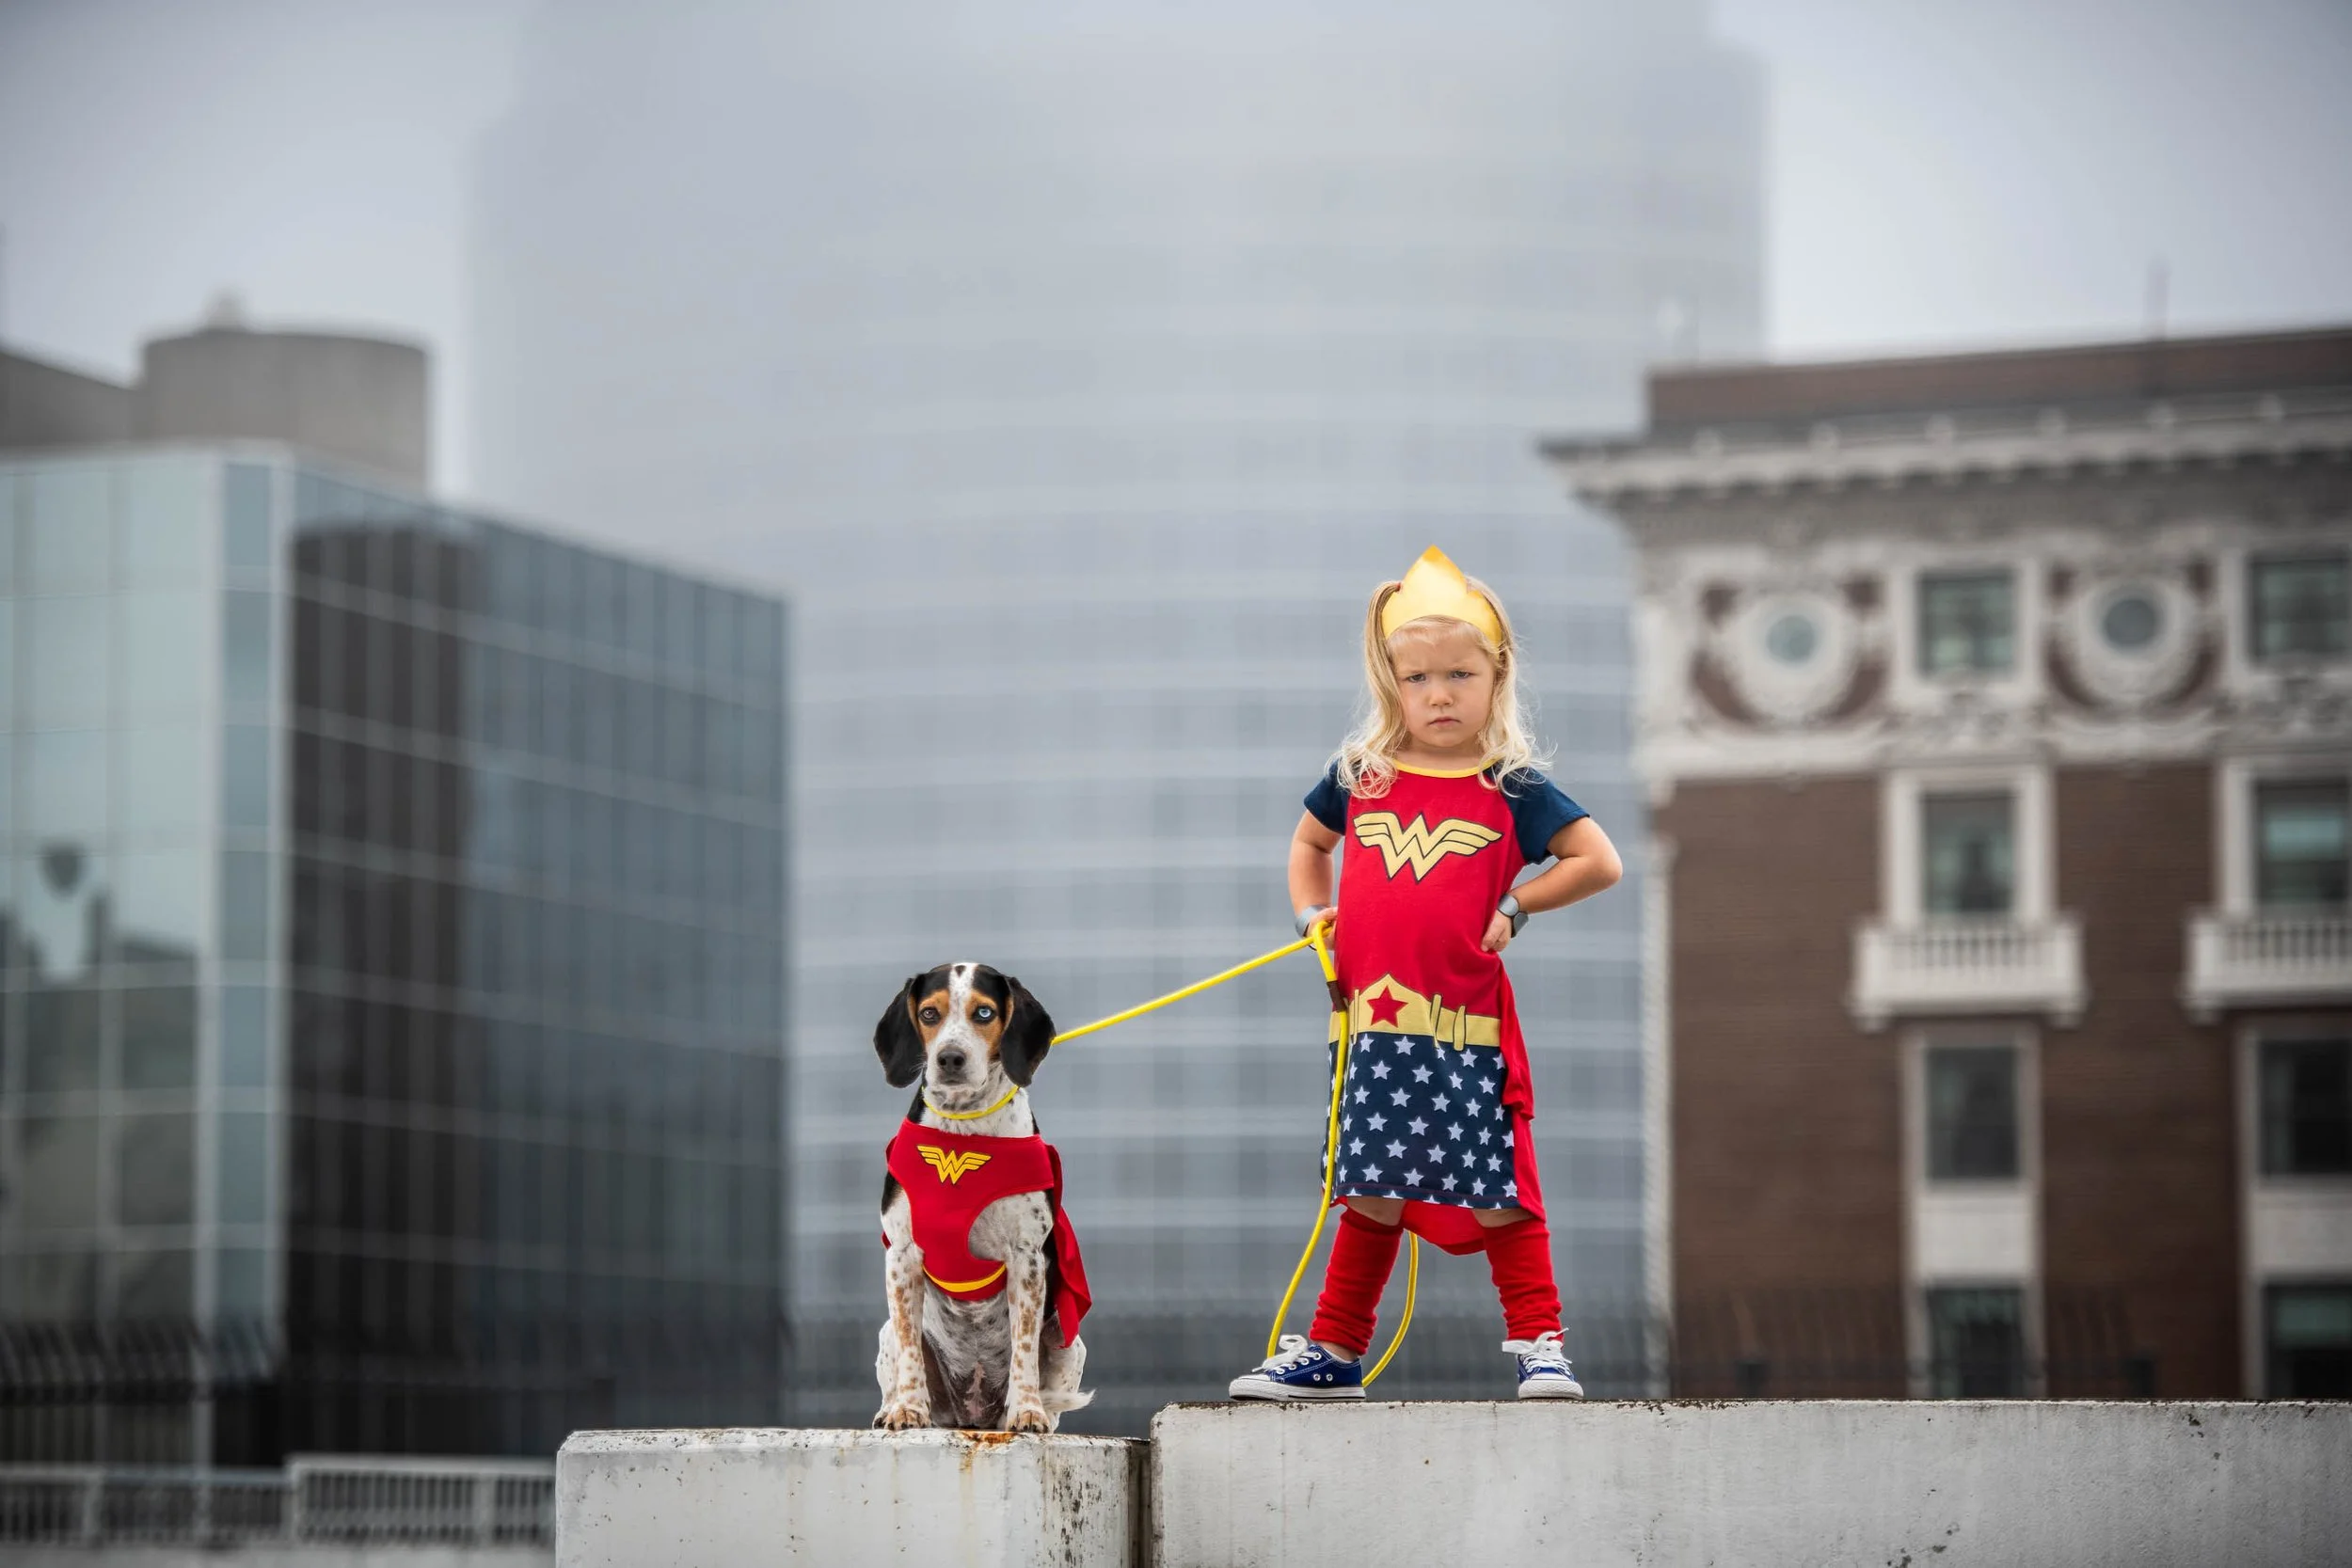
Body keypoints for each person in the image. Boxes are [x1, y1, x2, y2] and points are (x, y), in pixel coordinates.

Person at [1229, 546, 1623, 1402]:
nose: (1438, 694)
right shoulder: (1362, 775)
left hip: (1468, 1033)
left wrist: (1518, 905)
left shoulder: (1512, 786)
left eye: (1458, 673)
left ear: (1496, 674)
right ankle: (1337, 1349)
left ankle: (1539, 1342)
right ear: (1391, 681)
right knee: (1368, 1188)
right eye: (1417, 678)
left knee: (1501, 1190)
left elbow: (1598, 860)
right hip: (1375, 1033)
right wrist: (1312, 916)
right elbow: (1307, 844)